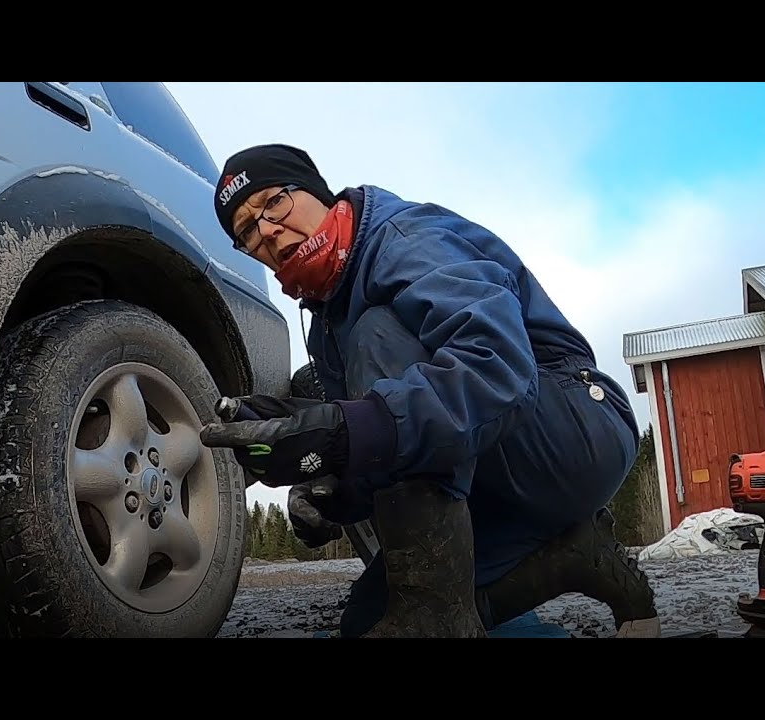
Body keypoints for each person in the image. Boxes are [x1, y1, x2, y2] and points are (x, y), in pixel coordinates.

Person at [200, 143, 658, 638]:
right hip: (487, 466)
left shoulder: (402, 238)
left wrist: (346, 431)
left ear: (316, 193)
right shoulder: (325, 321)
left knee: (377, 333)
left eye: (275, 202)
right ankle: (571, 557)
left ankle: (434, 612)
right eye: (246, 231)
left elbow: (498, 369)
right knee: (368, 622)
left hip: (570, 430)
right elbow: (391, 448)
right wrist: (323, 479)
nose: (266, 230)